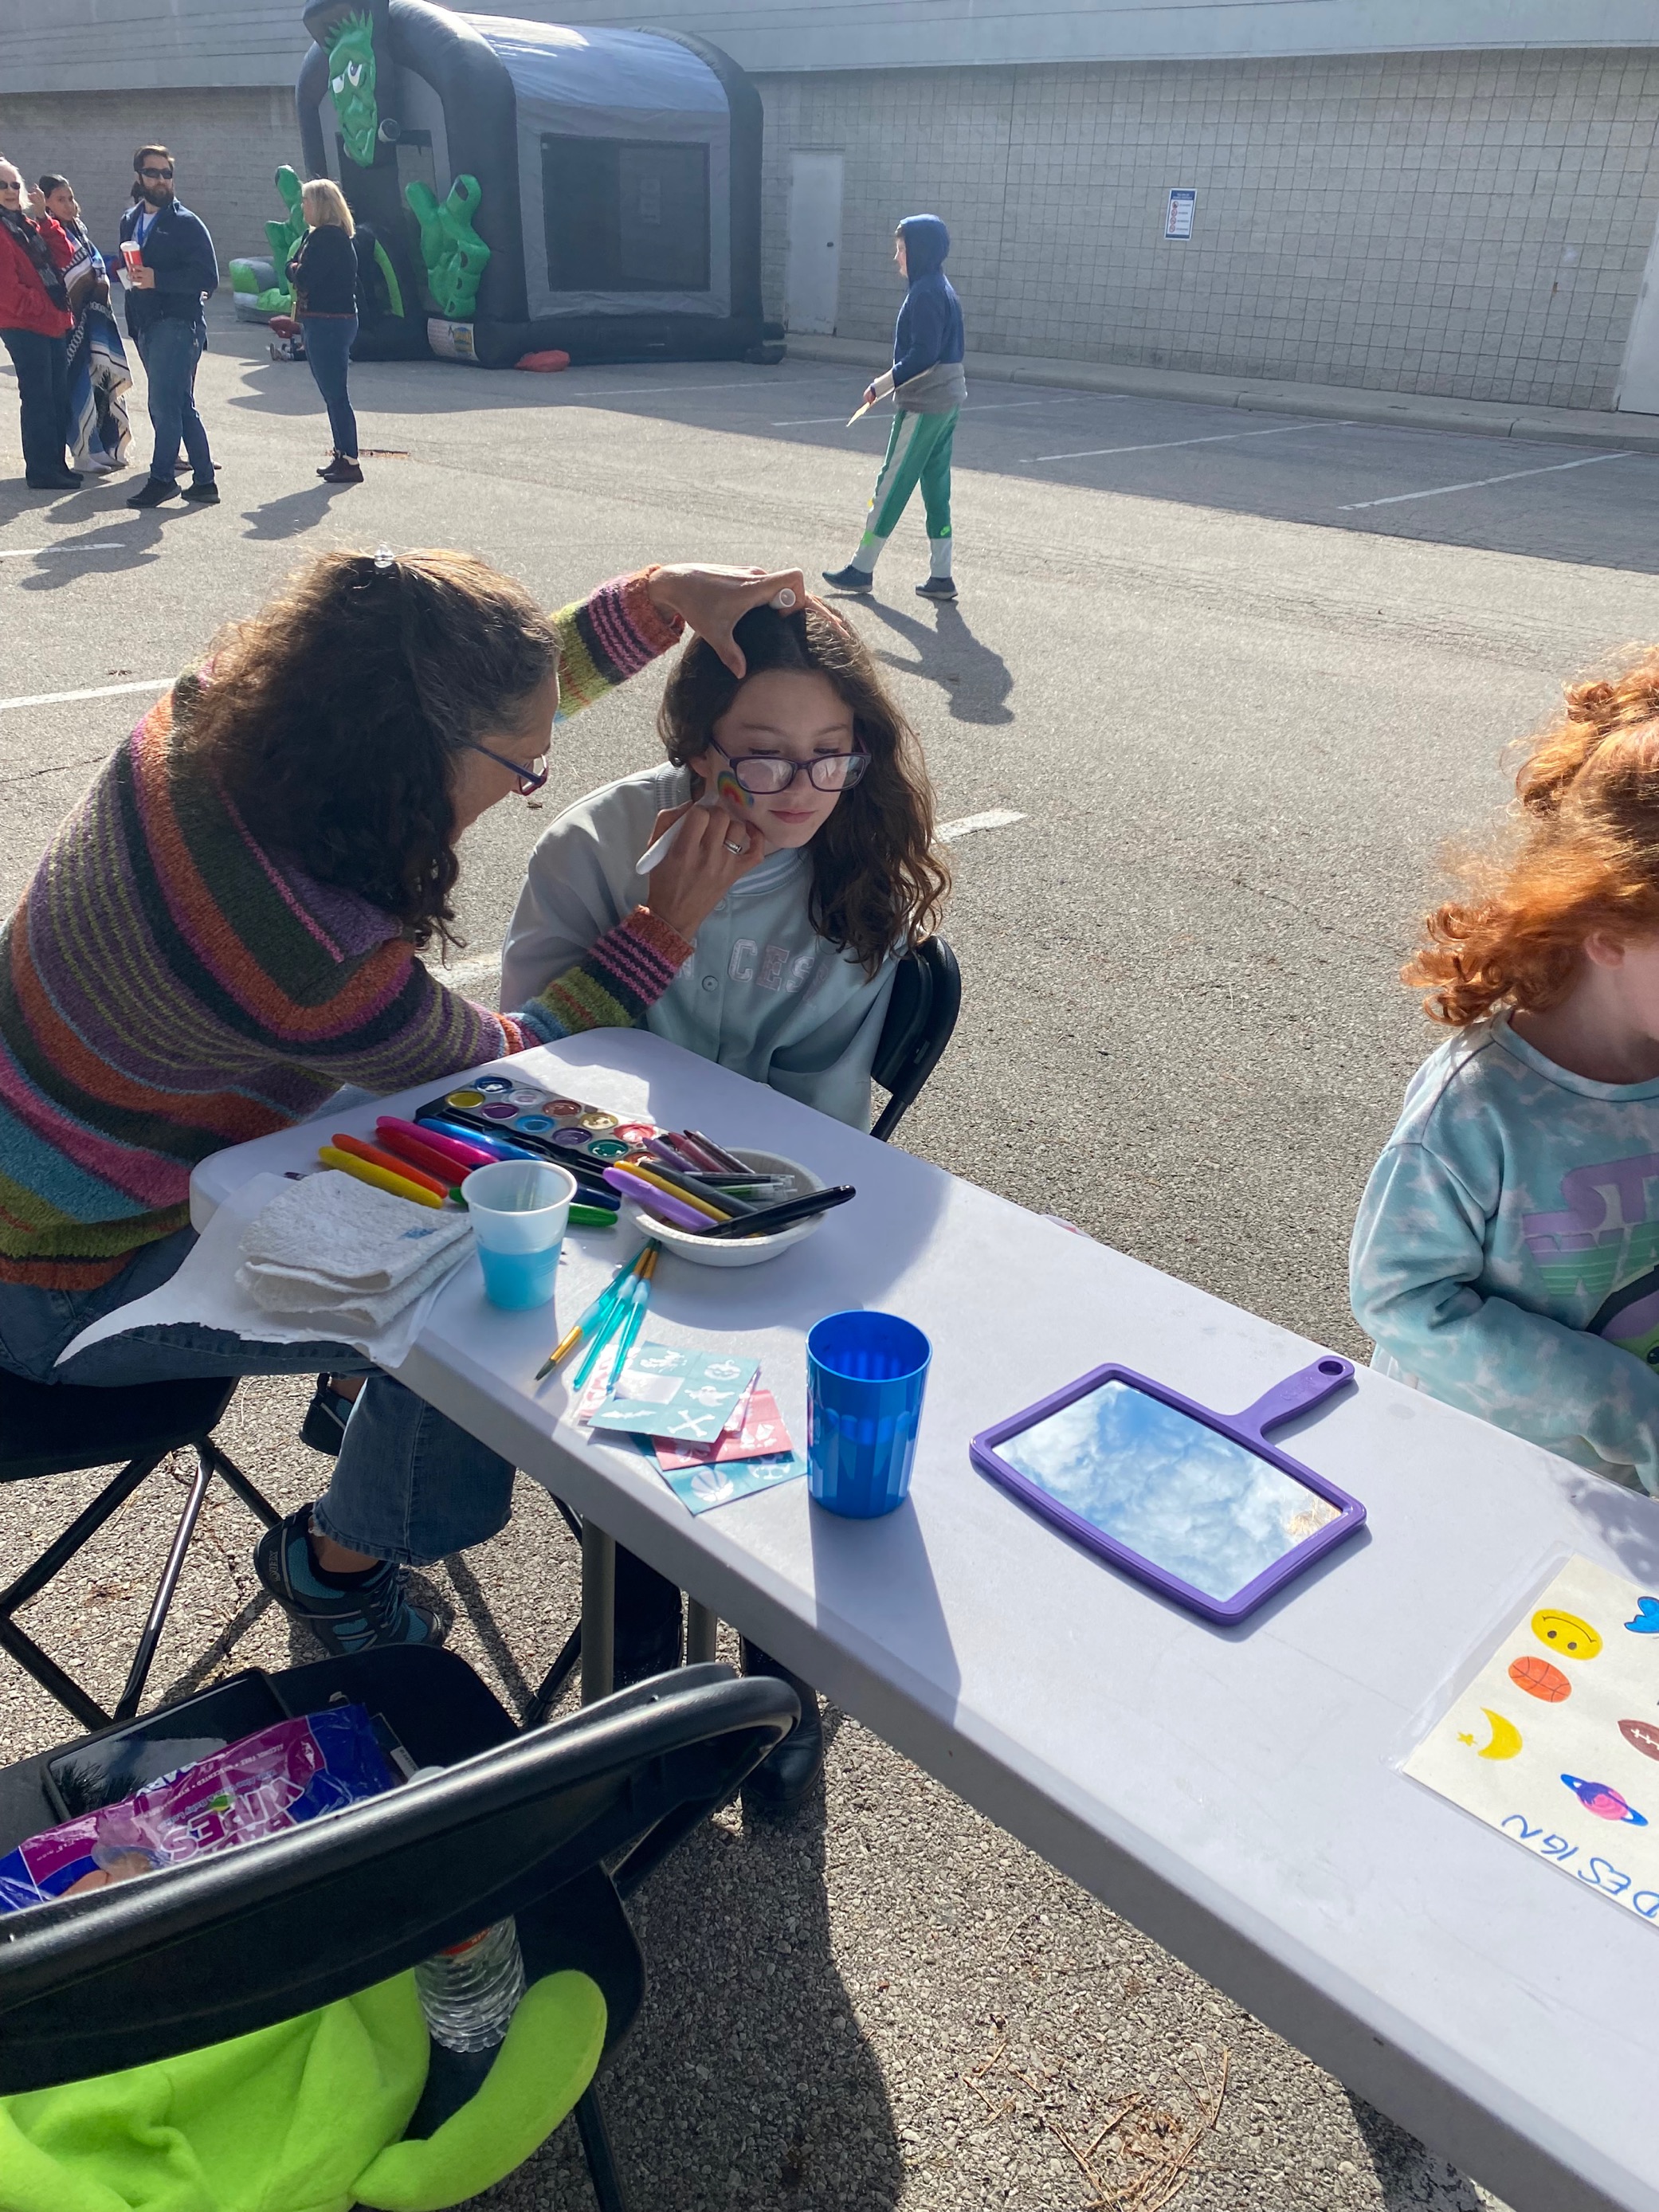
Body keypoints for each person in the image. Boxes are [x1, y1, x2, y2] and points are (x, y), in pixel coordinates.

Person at [0, 554, 805, 1679]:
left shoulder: (219, 712)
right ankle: (337, 1564)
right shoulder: (305, 949)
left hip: (58, 1166)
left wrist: (658, 600)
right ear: (408, 755)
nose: (530, 784)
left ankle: (348, 1399)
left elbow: (484, 694)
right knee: (492, 1286)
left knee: (456, 1192)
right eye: (525, 770)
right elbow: (498, 1070)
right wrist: (662, 927)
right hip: (59, 1285)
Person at [500, 596, 950, 1810]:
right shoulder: (602, 845)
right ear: (695, 746)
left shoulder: (855, 878)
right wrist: (664, 928)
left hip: (763, 1217)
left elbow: (817, 1116)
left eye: (830, 753)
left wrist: (739, 1202)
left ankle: (777, 1678)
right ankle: (646, 1681)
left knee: (790, 1409)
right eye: (760, 753)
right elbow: (522, 1074)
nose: (802, 787)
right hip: (599, 1210)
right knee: (631, 1430)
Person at [1351, 653, 1659, 1496]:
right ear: (1608, 924)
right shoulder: (1483, 1108)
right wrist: (1628, 1406)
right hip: (1476, 1479)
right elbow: (1403, 1299)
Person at [823, 214, 965, 604]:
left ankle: (861, 568)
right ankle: (941, 577)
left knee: (891, 483)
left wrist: (879, 386)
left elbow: (923, 355)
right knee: (936, 488)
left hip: (925, 402)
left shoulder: (926, 294)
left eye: (901, 249)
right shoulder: (938, 286)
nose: (896, 257)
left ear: (919, 251)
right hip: (947, 401)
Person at [118, 145, 220, 508]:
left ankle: (162, 478)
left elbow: (208, 277)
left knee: (163, 405)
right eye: (153, 173)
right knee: (180, 403)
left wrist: (157, 278)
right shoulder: (130, 220)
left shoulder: (186, 224)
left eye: (167, 173)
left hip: (178, 324)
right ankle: (205, 481)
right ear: (139, 177)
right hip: (145, 324)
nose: (161, 180)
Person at [37, 173, 131, 475]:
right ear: (47, 204)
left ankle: (102, 446)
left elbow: (95, 268)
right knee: (77, 383)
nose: (69, 205)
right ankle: (82, 452)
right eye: (61, 200)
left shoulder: (79, 230)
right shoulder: (43, 234)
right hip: (69, 324)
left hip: (94, 319)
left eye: (71, 198)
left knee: (99, 381)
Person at [0, 156, 79, 491]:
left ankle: (56, 465)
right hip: (23, 324)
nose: (9, 190)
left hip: (52, 321)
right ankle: (41, 471)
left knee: (58, 395)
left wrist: (44, 216)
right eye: (2, 185)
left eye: (14, 184)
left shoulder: (27, 224)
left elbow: (63, 253)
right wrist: (42, 306)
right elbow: (7, 289)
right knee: (38, 397)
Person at [287, 177, 362, 486]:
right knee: (332, 393)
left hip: (328, 322)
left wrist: (291, 268)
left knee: (335, 394)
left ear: (320, 205)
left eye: (306, 202)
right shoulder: (326, 236)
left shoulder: (326, 239)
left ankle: (350, 459)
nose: (302, 207)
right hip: (330, 320)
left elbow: (304, 277)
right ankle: (342, 454)